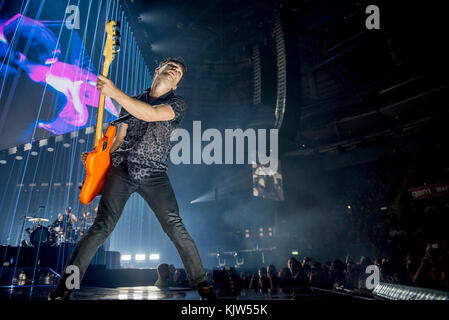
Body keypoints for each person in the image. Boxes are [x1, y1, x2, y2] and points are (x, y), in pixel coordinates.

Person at [49, 57, 214, 300]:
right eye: (171, 66)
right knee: (100, 227)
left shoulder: (177, 103)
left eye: (179, 72)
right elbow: (119, 138)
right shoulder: (130, 102)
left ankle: (203, 286)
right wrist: (99, 157)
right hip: (122, 169)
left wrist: (114, 92)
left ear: (177, 84)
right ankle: (66, 286)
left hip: (154, 173)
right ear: (158, 70)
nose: (175, 70)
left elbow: (149, 114)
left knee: (175, 227)